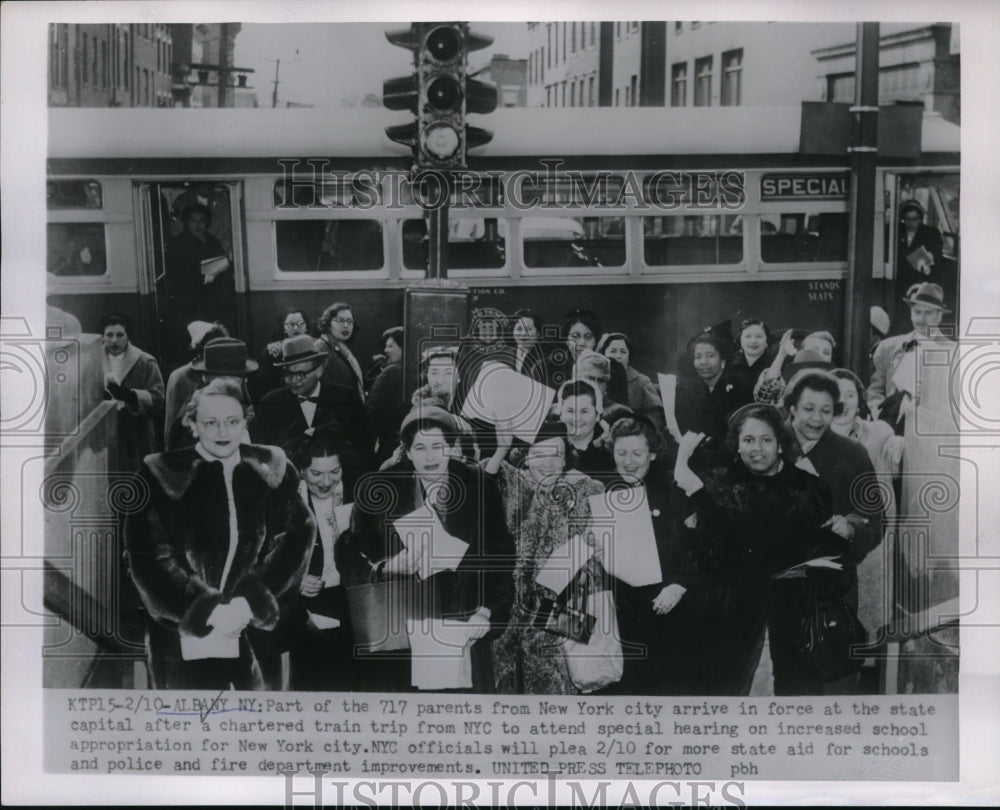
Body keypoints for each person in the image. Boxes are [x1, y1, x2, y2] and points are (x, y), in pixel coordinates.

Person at [124, 377, 314, 690]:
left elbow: (297, 537)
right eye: (210, 422)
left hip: (256, 630)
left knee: (261, 727)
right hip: (185, 635)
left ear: (245, 422)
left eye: (232, 421)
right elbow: (147, 556)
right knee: (195, 728)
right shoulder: (159, 475)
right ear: (192, 424)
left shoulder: (275, 469)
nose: (222, 432)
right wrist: (206, 609)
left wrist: (251, 601)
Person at [338, 406, 514, 693]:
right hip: (402, 630)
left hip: (463, 627)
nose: (430, 457)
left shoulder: (479, 487)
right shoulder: (381, 488)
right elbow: (348, 553)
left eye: (438, 446)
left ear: (452, 448)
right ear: (407, 452)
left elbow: (501, 558)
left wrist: (487, 611)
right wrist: (385, 567)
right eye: (420, 447)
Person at [674, 404, 843, 695]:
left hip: (791, 616)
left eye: (766, 440)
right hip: (731, 617)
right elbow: (703, 552)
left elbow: (822, 548)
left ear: (780, 444)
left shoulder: (807, 488)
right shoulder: (718, 485)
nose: (757, 449)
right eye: (748, 440)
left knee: (790, 702)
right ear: (737, 445)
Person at [484, 417, 607, 694]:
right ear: (525, 458)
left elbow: (601, 566)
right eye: (538, 453)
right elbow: (479, 485)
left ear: (566, 459)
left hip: (560, 619)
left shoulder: (586, 493)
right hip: (505, 620)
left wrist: (599, 552)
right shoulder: (506, 487)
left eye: (556, 454)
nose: (548, 463)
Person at [783, 372, 884, 691]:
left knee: (830, 680)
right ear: (792, 408)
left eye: (826, 410)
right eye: (808, 408)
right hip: (772, 584)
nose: (816, 418)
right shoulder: (768, 443)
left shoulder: (852, 454)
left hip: (831, 588)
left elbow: (875, 519)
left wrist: (851, 527)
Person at [604, 416, 701, 694]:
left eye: (638, 453)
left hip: (665, 612)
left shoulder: (673, 492)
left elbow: (698, 547)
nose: (629, 461)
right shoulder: (602, 491)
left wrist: (680, 585)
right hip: (619, 614)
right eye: (621, 453)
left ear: (653, 454)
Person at [285, 429, 359, 692]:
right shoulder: (288, 504)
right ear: (302, 471)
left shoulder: (358, 496)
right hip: (306, 607)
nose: (326, 481)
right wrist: (294, 581)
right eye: (316, 473)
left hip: (352, 602)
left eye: (334, 472)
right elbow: (267, 560)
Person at [831, 369, 902, 638]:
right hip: (834, 538)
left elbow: (895, 462)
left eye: (850, 395)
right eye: (837, 394)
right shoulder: (811, 437)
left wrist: (901, 441)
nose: (844, 401)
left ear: (859, 401)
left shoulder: (879, 432)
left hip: (873, 540)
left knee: (870, 613)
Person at [868, 282, 953, 426]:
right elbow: (875, 392)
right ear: (911, 314)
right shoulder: (888, 348)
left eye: (928, 313)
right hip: (891, 431)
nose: (921, 319)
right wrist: (883, 422)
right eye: (917, 312)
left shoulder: (954, 353)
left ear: (939, 316)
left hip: (930, 434)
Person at [251, 335, 348, 459]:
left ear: (319, 370)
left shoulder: (346, 399)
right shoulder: (270, 404)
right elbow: (262, 457)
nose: (293, 380)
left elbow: (364, 454)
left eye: (300, 374)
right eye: (288, 374)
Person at [164, 330, 257, 450]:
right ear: (207, 379)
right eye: (223, 379)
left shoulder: (245, 407)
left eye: (242, 378)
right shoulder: (189, 421)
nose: (243, 382)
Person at [100, 313, 165, 473]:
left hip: (136, 433)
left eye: (120, 334)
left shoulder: (145, 362)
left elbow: (158, 399)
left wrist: (129, 396)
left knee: (136, 479)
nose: (114, 340)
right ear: (102, 337)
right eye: (109, 335)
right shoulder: (92, 360)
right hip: (104, 433)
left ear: (128, 336)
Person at [314, 302, 373, 458]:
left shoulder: (340, 347)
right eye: (340, 321)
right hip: (335, 425)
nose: (346, 325)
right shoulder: (321, 349)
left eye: (350, 321)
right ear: (327, 323)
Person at [164, 203, 234, 328]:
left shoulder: (213, 241)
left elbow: (224, 265)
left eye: (202, 221)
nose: (198, 225)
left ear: (207, 223)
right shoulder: (176, 243)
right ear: (186, 222)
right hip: (187, 301)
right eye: (193, 221)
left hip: (211, 299)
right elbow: (174, 275)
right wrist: (203, 278)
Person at [674, 332, 742, 446]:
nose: (703, 362)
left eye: (710, 356)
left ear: (723, 361)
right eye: (698, 357)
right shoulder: (684, 391)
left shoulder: (736, 389)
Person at [893, 200, 948, 333]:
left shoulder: (932, 233)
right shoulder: (893, 231)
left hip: (922, 281)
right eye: (907, 219)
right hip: (899, 280)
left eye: (915, 219)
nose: (910, 223)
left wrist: (930, 264)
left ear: (921, 218)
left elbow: (938, 258)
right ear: (902, 219)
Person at [597, 332, 664, 428]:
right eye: (613, 351)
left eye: (623, 352)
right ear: (603, 354)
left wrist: (636, 427)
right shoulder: (597, 379)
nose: (618, 356)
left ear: (629, 357)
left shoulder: (642, 381)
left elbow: (656, 415)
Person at [754, 330, 836, 408]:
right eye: (814, 350)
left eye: (826, 353)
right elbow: (763, 399)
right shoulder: (789, 385)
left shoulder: (838, 384)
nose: (820, 355)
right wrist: (782, 354)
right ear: (802, 352)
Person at [557, 379, 615, 476]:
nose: (577, 418)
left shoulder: (612, 450)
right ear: (561, 415)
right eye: (570, 411)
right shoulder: (548, 445)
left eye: (584, 411)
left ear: (597, 416)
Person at [367, 326, 407, 467]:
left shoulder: (389, 373)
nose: (385, 350)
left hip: (388, 448)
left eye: (390, 346)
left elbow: (371, 413)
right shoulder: (420, 371)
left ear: (403, 347)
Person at [256, 308, 313, 400]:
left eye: (300, 324)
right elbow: (264, 386)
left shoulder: (316, 346)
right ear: (284, 328)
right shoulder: (273, 351)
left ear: (306, 326)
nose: (295, 328)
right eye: (291, 324)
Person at [727, 319, 774, 406]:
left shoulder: (774, 366)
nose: (753, 341)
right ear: (740, 340)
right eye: (748, 336)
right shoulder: (730, 365)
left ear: (767, 341)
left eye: (759, 337)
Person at [508, 308, 549, 384]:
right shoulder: (505, 354)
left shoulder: (545, 358)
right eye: (519, 329)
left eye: (529, 329)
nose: (523, 334)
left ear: (538, 333)